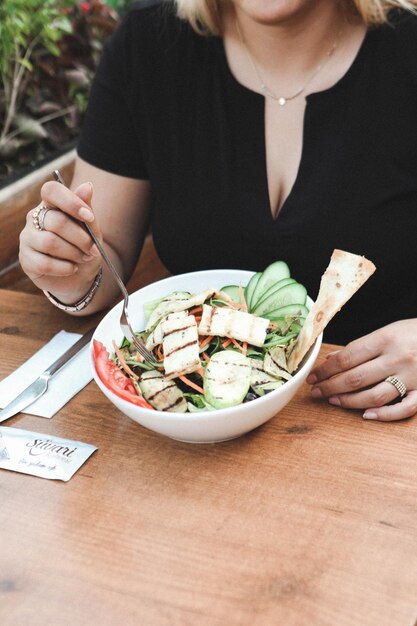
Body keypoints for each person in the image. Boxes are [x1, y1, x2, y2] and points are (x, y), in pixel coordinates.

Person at [19, 0, 417, 421]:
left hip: (383, 426)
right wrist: (67, 266)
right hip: (186, 424)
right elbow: (102, 258)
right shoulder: (148, 45)